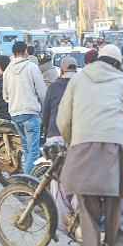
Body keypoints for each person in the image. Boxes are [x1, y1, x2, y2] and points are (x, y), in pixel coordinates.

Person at [56, 44, 123, 246]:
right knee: (118, 206)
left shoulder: (78, 80)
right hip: (113, 150)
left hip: (82, 149)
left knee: (88, 211)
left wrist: (72, 143)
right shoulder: (120, 83)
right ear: (116, 64)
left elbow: (63, 119)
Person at [43, 56, 79, 236]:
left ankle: (62, 224)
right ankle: (78, 216)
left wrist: (47, 130)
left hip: (55, 137)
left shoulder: (54, 87)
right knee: (75, 178)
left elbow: (46, 114)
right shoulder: (82, 86)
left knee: (57, 182)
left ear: (62, 70)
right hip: (75, 138)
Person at [3, 41, 46, 175]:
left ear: (13, 53)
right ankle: (26, 182)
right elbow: (42, 93)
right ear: (26, 51)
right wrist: (43, 109)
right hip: (30, 113)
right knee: (34, 151)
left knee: (27, 149)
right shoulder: (32, 68)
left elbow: (5, 95)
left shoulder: (7, 70)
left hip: (15, 114)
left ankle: (28, 178)